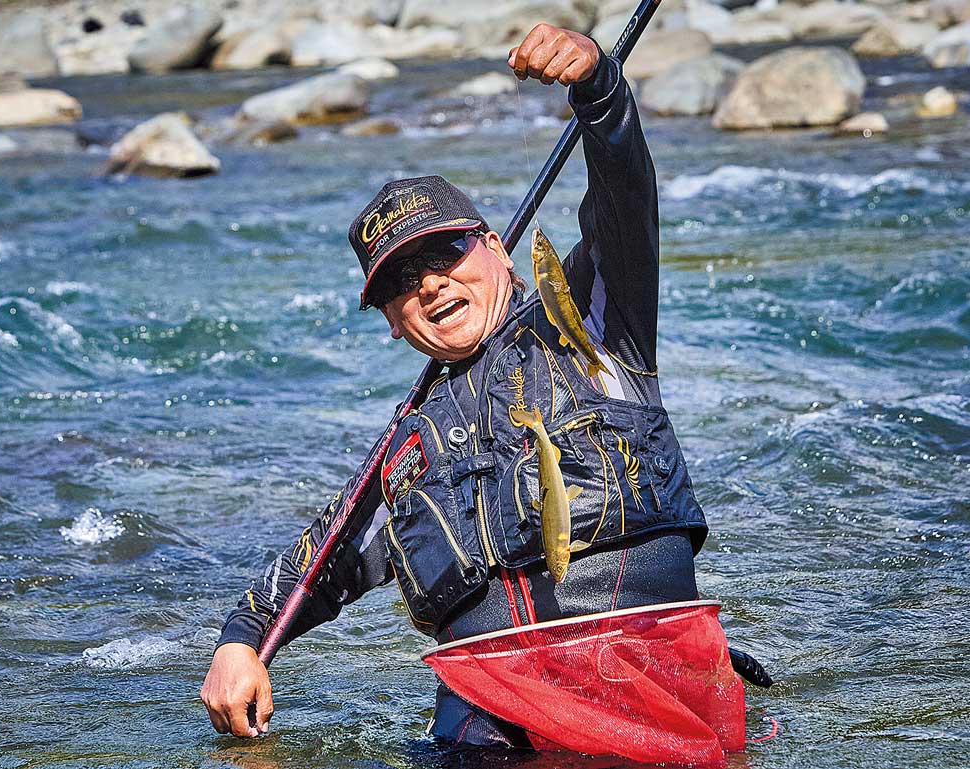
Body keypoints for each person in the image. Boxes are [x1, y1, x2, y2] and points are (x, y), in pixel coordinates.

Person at [202, 23, 740, 752]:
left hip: (638, 679)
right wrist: (242, 639)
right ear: (391, 320)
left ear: (495, 250)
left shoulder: (593, 322)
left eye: (444, 252)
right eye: (398, 280)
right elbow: (320, 560)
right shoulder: (402, 454)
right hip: (485, 722)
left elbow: (623, 195)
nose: (426, 282)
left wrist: (599, 87)